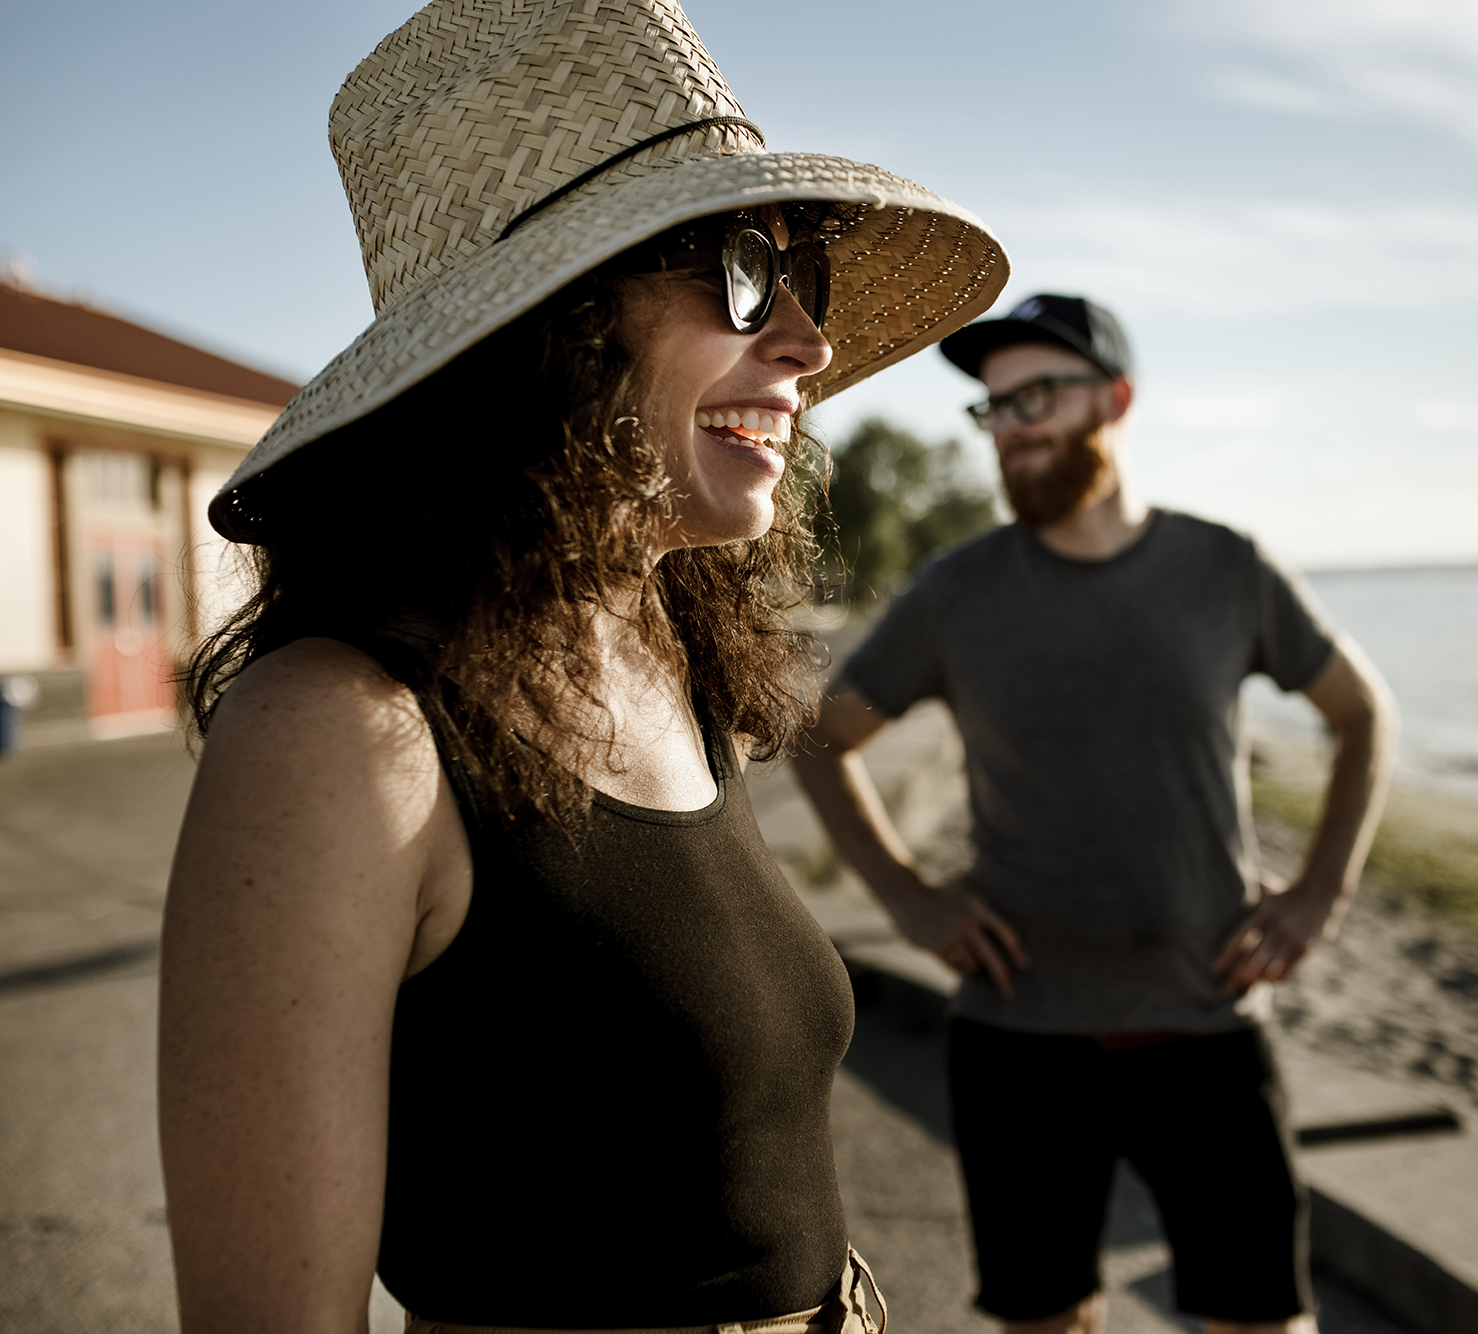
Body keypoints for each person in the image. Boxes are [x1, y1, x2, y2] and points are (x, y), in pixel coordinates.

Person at [155, 3, 1006, 1331]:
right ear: (545, 324)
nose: (806, 342)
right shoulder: (341, 732)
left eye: (808, 279)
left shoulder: (667, 649)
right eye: (738, 269)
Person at [793, 295, 1397, 1334]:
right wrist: (906, 896)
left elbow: (1359, 712)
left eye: (1038, 395)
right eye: (993, 408)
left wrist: (1316, 896)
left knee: (1261, 1320)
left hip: (1207, 1018)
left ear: (1114, 399)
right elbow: (819, 735)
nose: (1012, 423)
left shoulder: (1222, 568)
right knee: (1047, 1321)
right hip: (1019, 1037)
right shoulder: (957, 592)